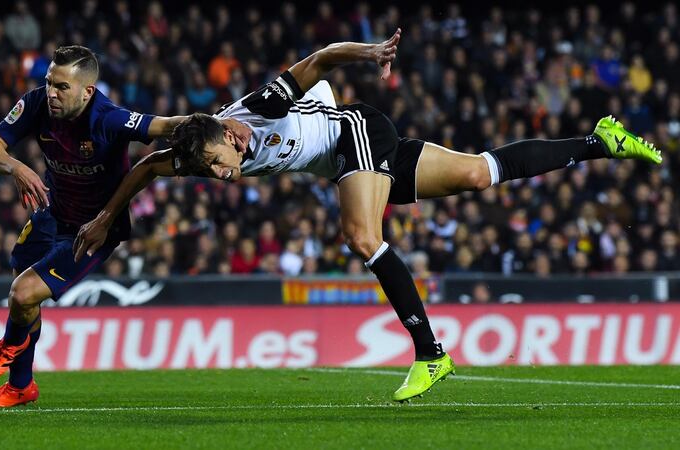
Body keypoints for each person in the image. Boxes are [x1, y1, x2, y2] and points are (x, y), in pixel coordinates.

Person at [74, 30, 661, 401]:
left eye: (220, 163)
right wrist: (105, 218)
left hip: (357, 130)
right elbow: (149, 165)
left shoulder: (258, 107)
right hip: (349, 160)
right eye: (212, 171)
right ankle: (597, 142)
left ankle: (431, 355)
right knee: (479, 173)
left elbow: (323, 57)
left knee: (359, 235)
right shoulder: (203, 150)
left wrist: (372, 53)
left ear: (230, 133)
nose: (222, 176)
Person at [0, 45, 248, 408]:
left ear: (87, 91)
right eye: (50, 82)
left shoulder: (108, 119)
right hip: (52, 212)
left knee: (23, 295)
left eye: (62, 87)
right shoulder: (37, 103)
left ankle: (11, 347)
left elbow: (163, 125)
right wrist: (17, 167)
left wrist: (217, 124)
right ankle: (21, 386)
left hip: (94, 229)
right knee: (21, 286)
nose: (52, 92)